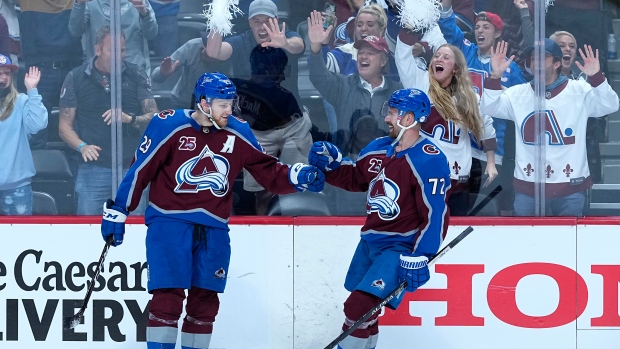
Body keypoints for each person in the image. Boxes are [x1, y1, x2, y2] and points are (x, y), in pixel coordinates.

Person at [100, 72, 325, 349]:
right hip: (170, 223)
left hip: (214, 227)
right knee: (167, 297)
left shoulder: (238, 131)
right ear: (204, 103)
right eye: (223, 104)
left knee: (205, 301)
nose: (229, 110)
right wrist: (119, 209)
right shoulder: (168, 125)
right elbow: (140, 170)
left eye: (231, 103)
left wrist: (296, 177)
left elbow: (267, 171)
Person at [307, 88, 450, 349]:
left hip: (399, 247)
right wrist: (330, 168)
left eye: (393, 113)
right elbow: (356, 179)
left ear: (409, 119)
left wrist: (422, 255)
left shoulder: (429, 159)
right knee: (366, 312)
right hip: (370, 242)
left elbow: (435, 213)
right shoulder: (379, 148)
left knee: (358, 306)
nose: (386, 118)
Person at [482, 39, 620, 216]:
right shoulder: (518, 93)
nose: (536, 62)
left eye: (543, 57)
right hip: (527, 187)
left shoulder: (579, 90)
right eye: (533, 58)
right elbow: (488, 107)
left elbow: (611, 105)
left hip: (570, 186)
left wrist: (597, 77)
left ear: (557, 63)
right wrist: (495, 76)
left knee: (569, 242)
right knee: (527, 241)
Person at [438, 0, 527, 215]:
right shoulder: (465, 53)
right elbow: (449, 26)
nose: (479, 30)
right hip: (459, 145)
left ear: (497, 34)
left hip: (491, 151)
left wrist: (503, 92)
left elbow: (524, 102)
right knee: (455, 207)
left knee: (481, 211)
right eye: (477, 27)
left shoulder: (509, 68)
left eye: (486, 27)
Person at [59, 26, 159, 215]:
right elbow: (64, 126)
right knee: (87, 229)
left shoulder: (136, 73)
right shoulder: (75, 77)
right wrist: (82, 147)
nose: (119, 55)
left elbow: (155, 116)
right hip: (93, 169)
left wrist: (129, 118)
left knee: (133, 229)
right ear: (97, 50)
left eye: (122, 50)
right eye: (112, 50)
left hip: (131, 167)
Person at [395, 34, 496, 216]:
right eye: (436, 56)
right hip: (424, 178)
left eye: (445, 57)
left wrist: (491, 162)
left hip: (458, 183)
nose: (438, 59)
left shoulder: (469, 98)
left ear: (456, 69)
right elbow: (402, 58)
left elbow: (486, 126)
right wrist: (408, 30)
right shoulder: (421, 84)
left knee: (454, 237)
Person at [308, 10, 402, 157]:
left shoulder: (396, 92)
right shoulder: (343, 86)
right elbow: (318, 77)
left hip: (384, 163)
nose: (363, 56)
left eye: (370, 53)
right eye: (361, 52)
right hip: (349, 163)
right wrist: (315, 47)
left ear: (383, 61)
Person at [232, 45, 313, 214]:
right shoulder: (238, 88)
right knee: (261, 191)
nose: (281, 72)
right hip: (258, 133)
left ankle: (300, 220)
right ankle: (262, 224)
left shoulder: (286, 95)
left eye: (282, 68)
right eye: (277, 68)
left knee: (299, 178)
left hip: (293, 127)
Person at [206, 0, 305, 107]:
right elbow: (213, 53)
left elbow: (299, 46)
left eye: (268, 21)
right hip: (250, 115)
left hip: (289, 115)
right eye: (257, 21)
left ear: (277, 20)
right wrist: (218, 17)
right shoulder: (241, 41)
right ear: (250, 22)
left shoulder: (287, 36)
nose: (262, 27)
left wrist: (286, 44)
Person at [19, 0, 84, 149]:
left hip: (72, 67)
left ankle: (79, 169)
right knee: (36, 132)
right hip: (39, 70)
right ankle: (37, 170)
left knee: (78, 129)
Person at [0, 57, 47, 215]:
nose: (4, 77)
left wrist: (32, 91)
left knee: (19, 239)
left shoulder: (21, 101)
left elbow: (38, 124)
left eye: (7, 73)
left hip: (16, 187)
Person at [69, 0, 158, 72]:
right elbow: (75, 32)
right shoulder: (89, 3)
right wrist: (79, 4)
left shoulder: (140, 1)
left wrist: (144, 14)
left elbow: (152, 34)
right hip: (99, 72)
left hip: (135, 71)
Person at [151, 32, 232, 109]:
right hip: (183, 103)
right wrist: (162, 73)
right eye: (205, 43)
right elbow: (155, 76)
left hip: (218, 107)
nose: (204, 49)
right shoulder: (193, 46)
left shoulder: (234, 57)